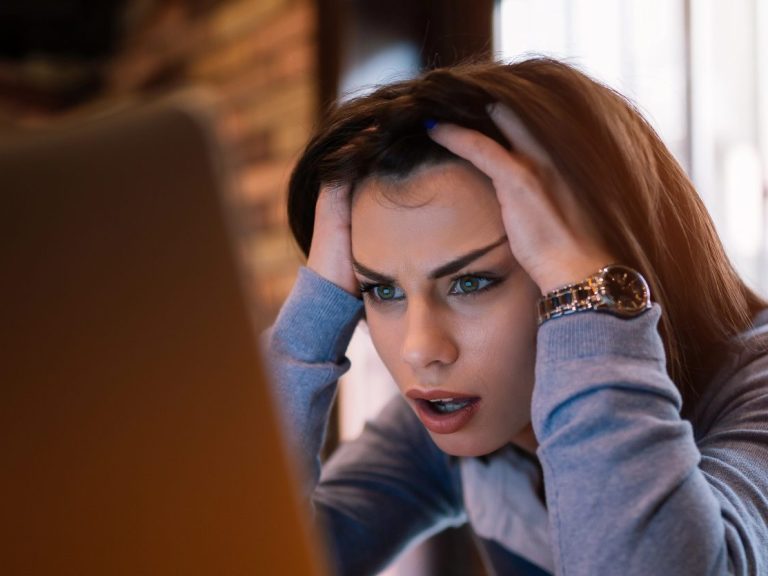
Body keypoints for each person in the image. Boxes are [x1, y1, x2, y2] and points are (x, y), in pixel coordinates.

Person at [265, 57, 768, 575]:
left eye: (472, 282)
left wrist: (587, 292)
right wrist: (314, 315)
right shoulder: (454, 414)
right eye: (381, 289)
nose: (419, 348)